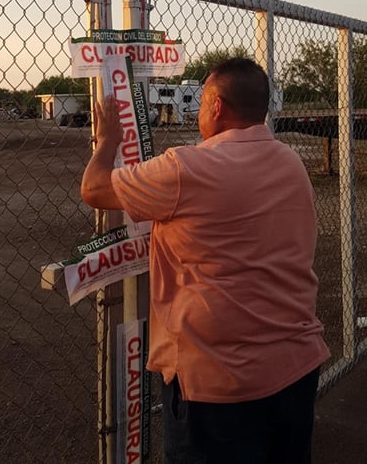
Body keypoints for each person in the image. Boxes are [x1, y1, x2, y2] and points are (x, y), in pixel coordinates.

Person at [81, 57, 330, 464]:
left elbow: (93, 189)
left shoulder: (186, 168)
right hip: (296, 367)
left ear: (216, 106)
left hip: (218, 385)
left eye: (200, 104)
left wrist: (108, 139)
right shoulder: (290, 162)